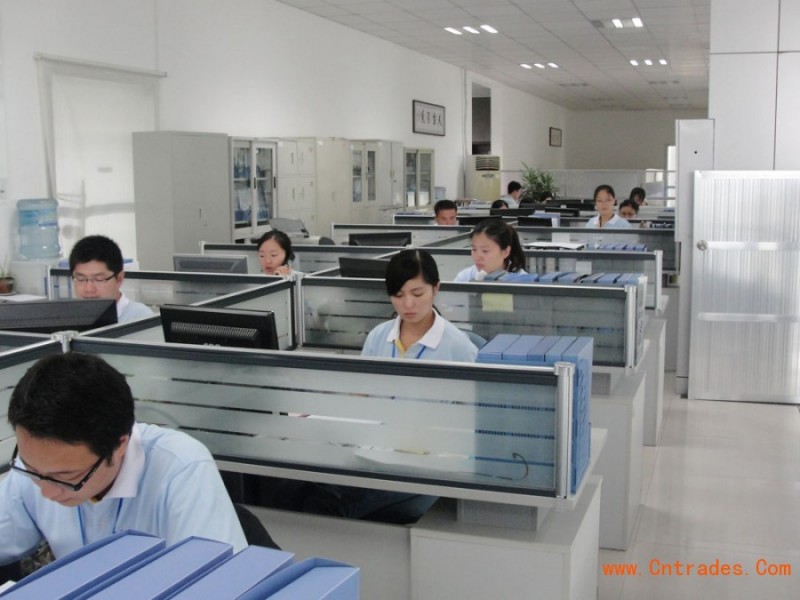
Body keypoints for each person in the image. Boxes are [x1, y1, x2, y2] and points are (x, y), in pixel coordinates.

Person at [0, 353, 248, 567]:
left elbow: (219, 584)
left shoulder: (181, 468)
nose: (46, 492)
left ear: (120, 445)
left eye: (67, 477)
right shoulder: (39, 465)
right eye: (31, 470)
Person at [69, 235, 153, 322]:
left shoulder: (140, 318)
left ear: (119, 279)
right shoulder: (68, 317)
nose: (89, 289)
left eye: (99, 279)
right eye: (81, 279)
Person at [454, 218, 528, 282]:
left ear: (506, 252)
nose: (477, 257)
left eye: (485, 251)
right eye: (474, 249)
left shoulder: (522, 281)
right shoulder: (465, 277)